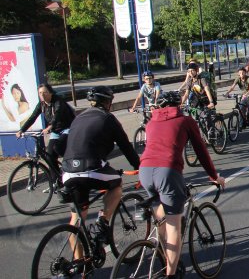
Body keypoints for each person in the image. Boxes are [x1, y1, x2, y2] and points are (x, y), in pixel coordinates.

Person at [140, 91, 226, 279]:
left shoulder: (151, 123)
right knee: (174, 227)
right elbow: (201, 152)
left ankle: (165, 257)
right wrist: (214, 176)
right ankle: (170, 275)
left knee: (161, 219)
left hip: (145, 171)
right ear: (178, 106)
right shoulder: (186, 121)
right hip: (168, 171)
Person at [60, 86, 140, 249]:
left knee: (76, 221)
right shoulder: (108, 118)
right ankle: (102, 222)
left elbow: (63, 144)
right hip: (91, 168)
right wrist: (139, 166)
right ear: (108, 102)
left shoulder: (78, 118)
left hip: (68, 172)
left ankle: (80, 262)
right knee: (116, 184)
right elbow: (125, 145)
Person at [17, 83, 75, 178]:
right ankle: (57, 180)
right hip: (55, 131)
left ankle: (72, 164)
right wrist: (22, 130)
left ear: (51, 93)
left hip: (67, 128)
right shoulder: (42, 104)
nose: (42, 95)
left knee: (58, 147)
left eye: (45, 92)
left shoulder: (58, 101)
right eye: (40, 93)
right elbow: (33, 117)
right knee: (49, 156)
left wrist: (49, 127)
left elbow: (57, 115)